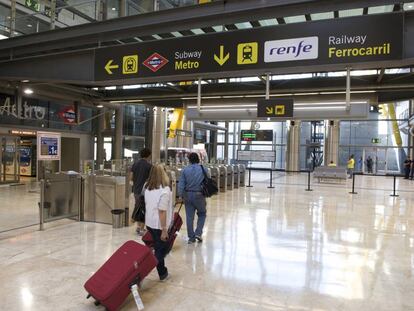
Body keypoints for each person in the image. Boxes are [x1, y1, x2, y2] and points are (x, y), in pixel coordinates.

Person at [144, 164, 173, 281]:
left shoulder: (147, 187)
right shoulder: (165, 190)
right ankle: (144, 270)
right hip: (159, 225)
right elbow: (162, 211)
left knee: (159, 247)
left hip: (149, 223)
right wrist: (164, 229)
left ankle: (163, 272)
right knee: (162, 249)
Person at [178, 152, 208, 244]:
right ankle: (198, 233)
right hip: (199, 195)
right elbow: (207, 181)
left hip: (188, 195)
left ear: (189, 160)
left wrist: (180, 195)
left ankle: (191, 237)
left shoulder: (185, 170)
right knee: (202, 214)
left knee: (189, 217)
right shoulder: (204, 169)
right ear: (198, 159)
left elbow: (181, 184)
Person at [131, 148, 152, 235]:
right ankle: (141, 229)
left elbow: (131, 177)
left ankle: (138, 226)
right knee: (144, 209)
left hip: (136, 190)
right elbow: (150, 179)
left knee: (138, 207)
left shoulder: (135, 164)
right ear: (148, 155)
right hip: (144, 191)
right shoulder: (149, 166)